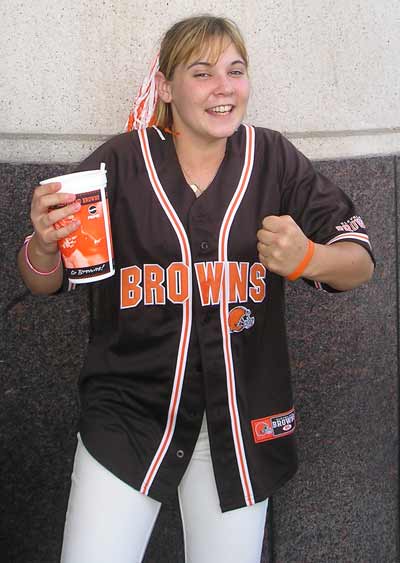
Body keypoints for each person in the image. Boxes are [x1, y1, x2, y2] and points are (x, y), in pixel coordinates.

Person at [17, 15, 374, 563]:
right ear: (166, 86)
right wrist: (43, 245)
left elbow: (359, 264)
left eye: (235, 70)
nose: (223, 87)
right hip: (129, 416)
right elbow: (43, 283)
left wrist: (308, 257)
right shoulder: (121, 161)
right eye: (202, 72)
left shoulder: (273, 158)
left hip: (238, 418)